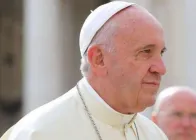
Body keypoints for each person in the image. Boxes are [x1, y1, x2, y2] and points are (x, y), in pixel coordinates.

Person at [1, 1, 168, 140]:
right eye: (145, 52)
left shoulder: (154, 135)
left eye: (160, 53)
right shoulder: (37, 134)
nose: (161, 68)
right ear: (99, 59)